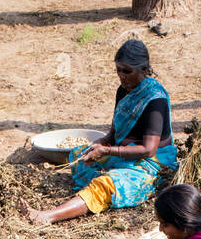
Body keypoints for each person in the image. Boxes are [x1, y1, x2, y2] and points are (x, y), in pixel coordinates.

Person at [20, 39, 177, 226]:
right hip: (124, 154)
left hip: (152, 165)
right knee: (79, 155)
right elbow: (114, 132)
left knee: (106, 185)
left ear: (144, 69)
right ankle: (97, 191)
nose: (122, 76)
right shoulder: (124, 90)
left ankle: (47, 216)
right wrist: (103, 143)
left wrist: (107, 151)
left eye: (127, 71)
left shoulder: (154, 100)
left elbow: (148, 150)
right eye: (118, 70)